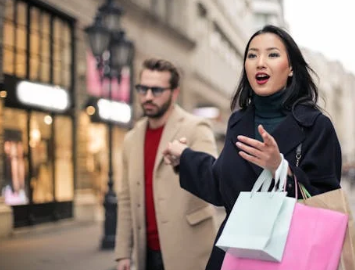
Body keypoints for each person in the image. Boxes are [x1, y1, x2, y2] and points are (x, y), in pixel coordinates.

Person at [163, 25, 342, 270]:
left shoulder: (316, 125)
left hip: (291, 257)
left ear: (291, 68)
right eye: (252, 55)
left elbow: (327, 205)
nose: (260, 62)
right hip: (236, 255)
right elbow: (220, 186)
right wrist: (184, 158)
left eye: (272, 54)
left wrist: (281, 168)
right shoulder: (238, 121)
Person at [115, 58, 219, 270]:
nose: (148, 97)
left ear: (174, 93)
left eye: (156, 90)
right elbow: (126, 198)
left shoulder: (196, 127)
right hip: (148, 253)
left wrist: (186, 161)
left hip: (190, 249)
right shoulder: (131, 138)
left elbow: (213, 181)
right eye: (143, 89)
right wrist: (123, 253)